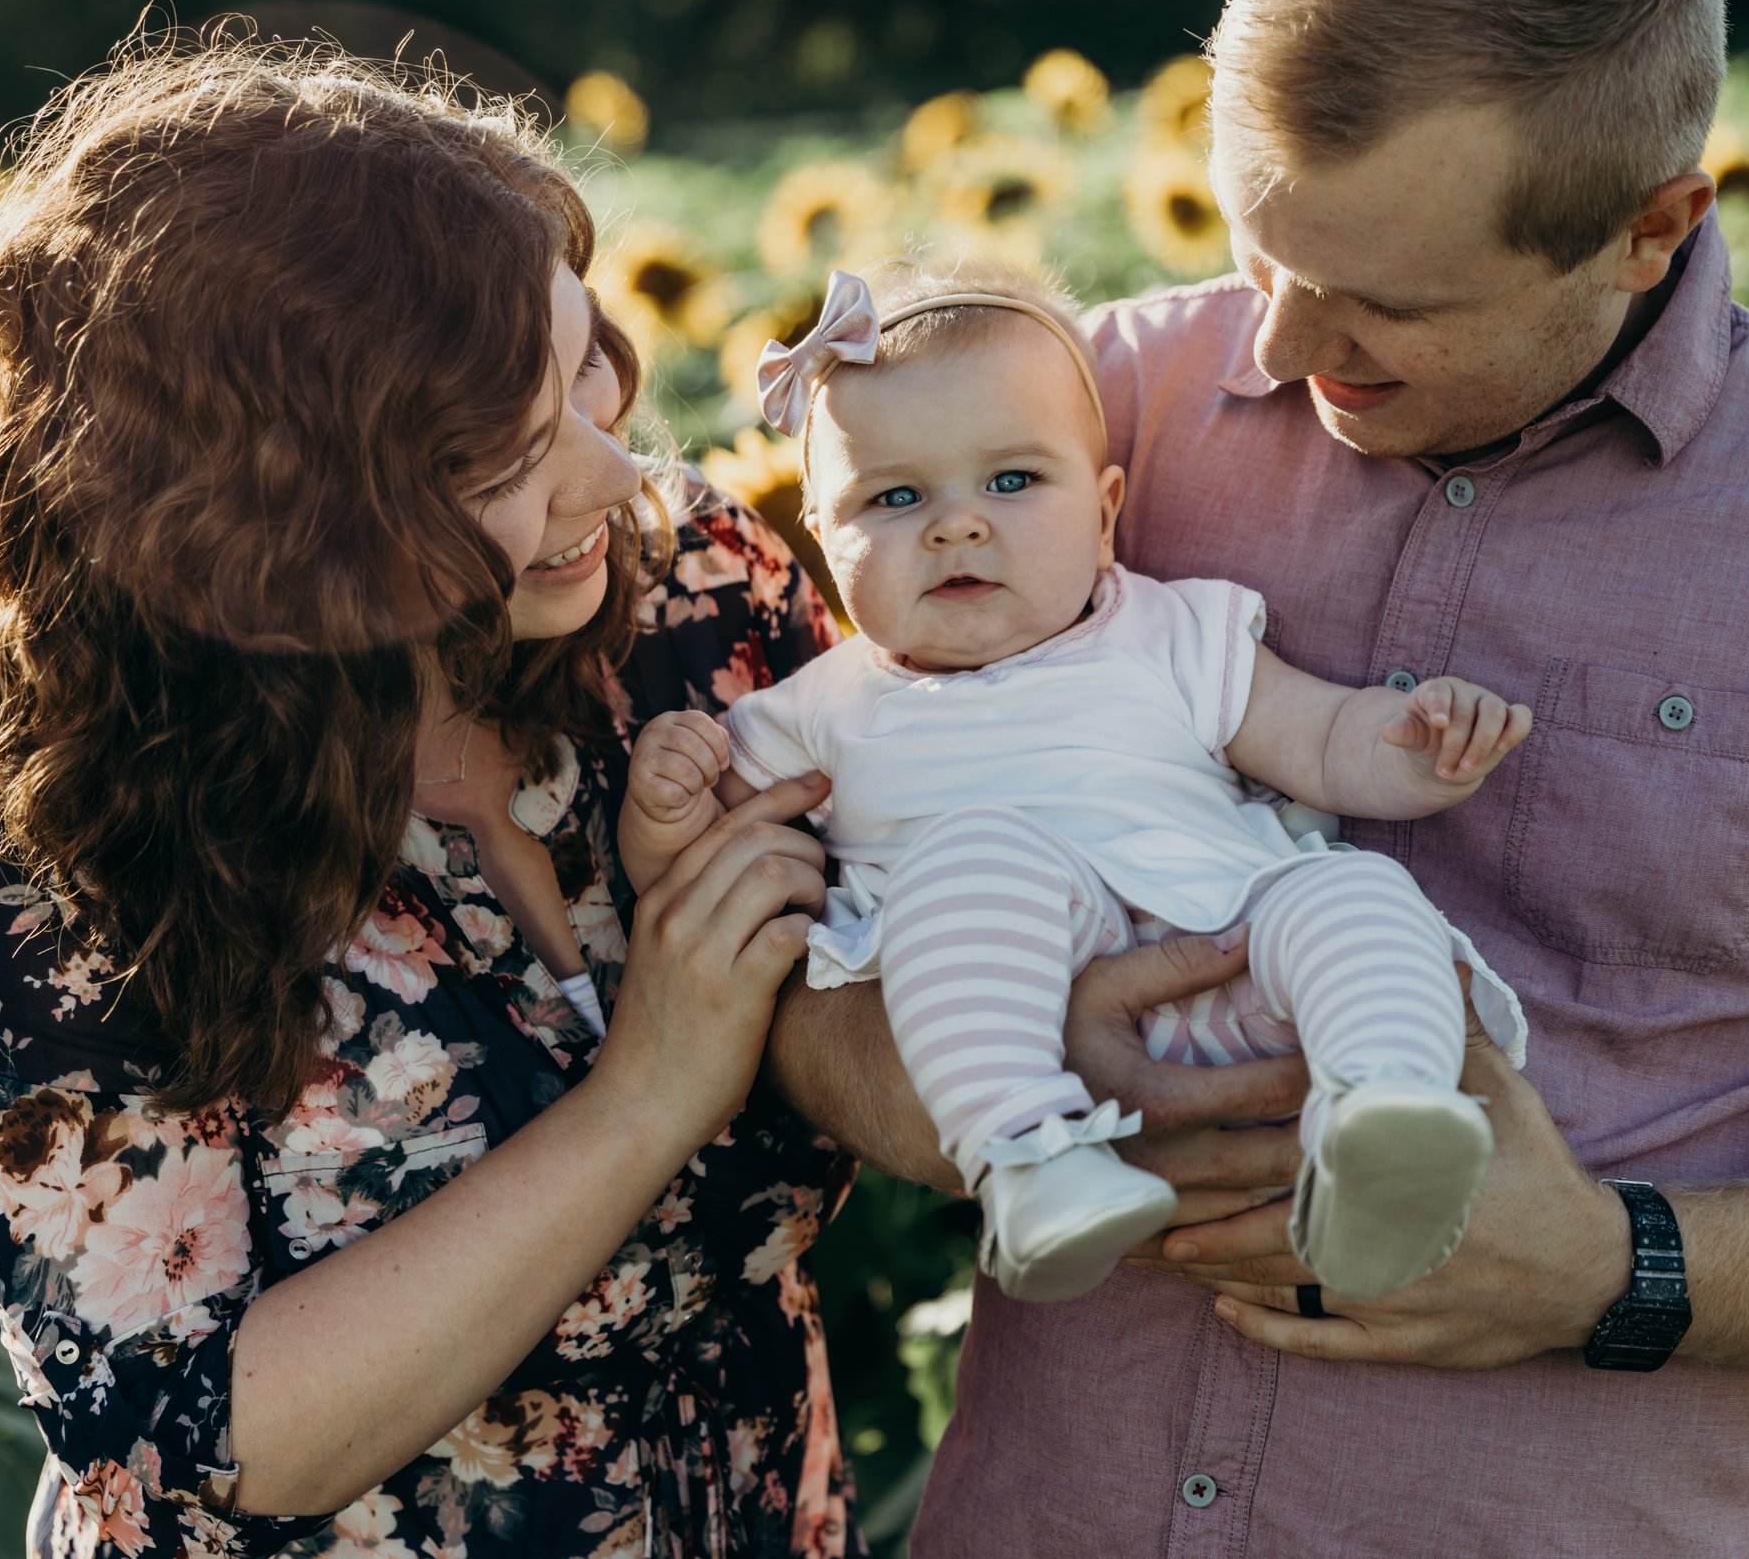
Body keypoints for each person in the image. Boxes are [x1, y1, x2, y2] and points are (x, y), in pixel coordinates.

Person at [763, 0, 1749, 1553]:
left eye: (1388, 304)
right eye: (1256, 245)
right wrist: (974, 1075)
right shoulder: (1063, 422)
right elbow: (773, 960)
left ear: (1651, 228)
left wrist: (1614, 1265)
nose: (1280, 343)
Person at [0, 34, 855, 1559]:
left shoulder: (698, 600)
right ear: (279, 522)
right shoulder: (79, 842)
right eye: (511, 453)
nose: (613, 473)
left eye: (583, 361)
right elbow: (199, 1434)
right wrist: (652, 1086)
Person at [621, 259, 1532, 1305]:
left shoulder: (1168, 628)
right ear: (824, 542)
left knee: (1353, 893)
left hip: (1238, 964)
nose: (957, 524)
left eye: (1012, 481)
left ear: (1104, 513)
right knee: (976, 853)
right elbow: (706, 873)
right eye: (896, 495)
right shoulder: (820, 707)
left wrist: (1419, 744)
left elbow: (1322, 739)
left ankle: (1382, 1117)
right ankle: (1033, 1160)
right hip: (1018, 1014)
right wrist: (667, 808)